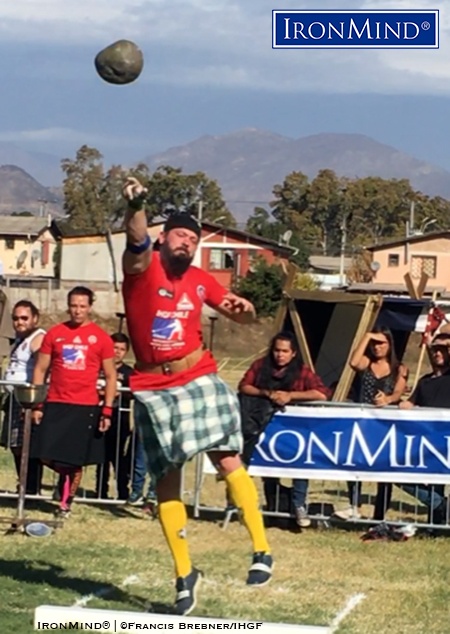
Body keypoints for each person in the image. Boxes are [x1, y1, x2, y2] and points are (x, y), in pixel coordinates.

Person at [121, 176, 273, 616]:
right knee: (166, 478)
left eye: (193, 238)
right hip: (153, 386)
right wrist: (137, 205)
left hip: (198, 376)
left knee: (227, 459)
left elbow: (241, 314)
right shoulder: (143, 269)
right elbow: (135, 240)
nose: (186, 242)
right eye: (180, 235)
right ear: (164, 237)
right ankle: (184, 575)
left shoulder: (202, 280)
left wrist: (246, 312)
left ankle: (261, 550)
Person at [31, 286, 117, 519]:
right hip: (56, 402)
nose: (77, 310)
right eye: (73, 305)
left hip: (85, 406)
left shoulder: (100, 338)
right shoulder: (55, 334)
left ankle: (65, 503)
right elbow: (40, 369)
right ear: (68, 306)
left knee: (75, 459)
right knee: (43, 452)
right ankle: (65, 475)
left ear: (90, 307)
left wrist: (106, 410)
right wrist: (37, 404)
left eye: (82, 306)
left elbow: (111, 376)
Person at [238, 331, 330, 528]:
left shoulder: (303, 371)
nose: (280, 355)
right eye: (277, 350)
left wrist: (291, 395)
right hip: (264, 429)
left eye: (285, 351)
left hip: (295, 432)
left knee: (299, 467)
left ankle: (298, 505)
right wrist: (266, 393)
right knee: (268, 469)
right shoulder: (260, 366)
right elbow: (244, 386)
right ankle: (274, 508)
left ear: (293, 353)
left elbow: (321, 394)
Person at [334, 326, 408, 521]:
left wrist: (388, 399)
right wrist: (367, 336)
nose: (377, 347)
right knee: (354, 462)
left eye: (381, 342)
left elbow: (399, 392)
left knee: (384, 471)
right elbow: (353, 361)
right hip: (363, 422)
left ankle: (379, 515)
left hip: (387, 425)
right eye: (374, 343)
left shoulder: (399, 368)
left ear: (390, 344)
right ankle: (354, 505)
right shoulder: (366, 363)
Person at [397, 328, 450, 524]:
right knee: (398, 474)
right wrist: (405, 404)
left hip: (447, 441)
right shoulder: (425, 381)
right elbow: (411, 401)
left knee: (440, 482)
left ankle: (436, 525)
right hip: (427, 443)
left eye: (444, 349)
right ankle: (442, 507)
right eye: (436, 349)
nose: (439, 352)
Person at [0, 300, 45, 494]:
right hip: (14, 398)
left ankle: (31, 488)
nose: (20, 322)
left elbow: (42, 368)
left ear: (35, 318)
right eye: (16, 318)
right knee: (15, 445)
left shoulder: (38, 338)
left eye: (24, 318)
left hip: (28, 398)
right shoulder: (19, 339)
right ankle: (24, 485)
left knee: (27, 446)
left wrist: (36, 404)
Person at [96, 333, 134, 501]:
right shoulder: (98, 367)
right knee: (100, 457)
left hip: (120, 419)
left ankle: (122, 492)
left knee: (118, 458)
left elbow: (133, 393)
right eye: (114, 347)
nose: (117, 352)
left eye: (121, 349)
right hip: (98, 417)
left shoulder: (128, 372)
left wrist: (118, 394)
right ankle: (100, 491)